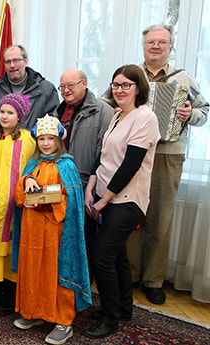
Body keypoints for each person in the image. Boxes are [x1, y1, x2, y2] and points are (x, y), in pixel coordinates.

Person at [127, 24, 208, 305]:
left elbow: (205, 110)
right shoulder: (131, 75)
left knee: (160, 218)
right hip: (133, 152)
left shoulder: (183, 78)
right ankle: (130, 275)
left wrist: (190, 113)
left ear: (170, 47)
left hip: (167, 152)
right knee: (131, 213)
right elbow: (107, 100)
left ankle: (153, 280)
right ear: (144, 46)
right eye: (151, 41)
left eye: (162, 42)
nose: (156, 46)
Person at [83, 65, 160, 339]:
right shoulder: (118, 116)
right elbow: (103, 156)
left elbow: (130, 165)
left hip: (128, 200)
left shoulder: (145, 118)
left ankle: (110, 318)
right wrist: (91, 185)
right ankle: (123, 308)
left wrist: (104, 200)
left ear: (139, 87)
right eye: (116, 85)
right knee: (117, 257)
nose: (119, 90)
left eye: (126, 85)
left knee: (101, 256)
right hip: (105, 194)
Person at [11, 115, 91, 345]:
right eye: (42, 138)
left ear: (59, 140)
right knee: (33, 269)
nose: (45, 143)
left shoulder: (67, 165)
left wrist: (49, 203)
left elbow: (73, 202)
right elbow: (19, 195)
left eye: (51, 138)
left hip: (56, 233)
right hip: (31, 230)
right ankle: (34, 312)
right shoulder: (32, 164)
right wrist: (26, 181)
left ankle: (63, 321)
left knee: (54, 272)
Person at [0, 94, 35, 315]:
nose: (4, 116)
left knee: (12, 248)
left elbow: (31, 171)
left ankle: (11, 293)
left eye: (10, 112)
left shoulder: (29, 141)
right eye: (2, 111)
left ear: (19, 116)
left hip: (16, 207)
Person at [56, 68, 113, 283]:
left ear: (84, 83)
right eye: (62, 86)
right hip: (60, 186)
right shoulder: (57, 112)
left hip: (87, 186)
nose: (66, 90)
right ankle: (66, 281)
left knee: (87, 238)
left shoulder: (102, 111)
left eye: (71, 85)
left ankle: (85, 286)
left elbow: (105, 153)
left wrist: (92, 185)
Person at [0, 45, 59, 138]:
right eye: (8, 62)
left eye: (16, 60)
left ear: (26, 62)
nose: (12, 65)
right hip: (0, 148)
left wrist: (26, 140)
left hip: (33, 149)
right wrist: (1, 138)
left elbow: (52, 124)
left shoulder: (46, 89)